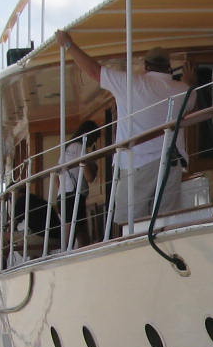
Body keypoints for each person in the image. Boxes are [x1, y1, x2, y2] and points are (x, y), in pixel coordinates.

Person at [58, 30, 184, 229]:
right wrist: (192, 81)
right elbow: (194, 96)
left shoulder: (132, 83)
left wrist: (68, 45)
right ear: (169, 67)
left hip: (136, 163)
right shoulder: (183, 90)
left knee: (130, 224)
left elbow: (93, 71)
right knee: (165, 223)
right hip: (172, 162)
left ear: (146, 65)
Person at [56, 118, 100, 247]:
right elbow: (89, 176)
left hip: (63, 195)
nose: (94, 142)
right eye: (95, 138)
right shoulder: (80, 148)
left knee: (82, 235)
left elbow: (58, 178)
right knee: (71, 239)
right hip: (73, 197)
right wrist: (93, 161)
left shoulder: (68, 148)